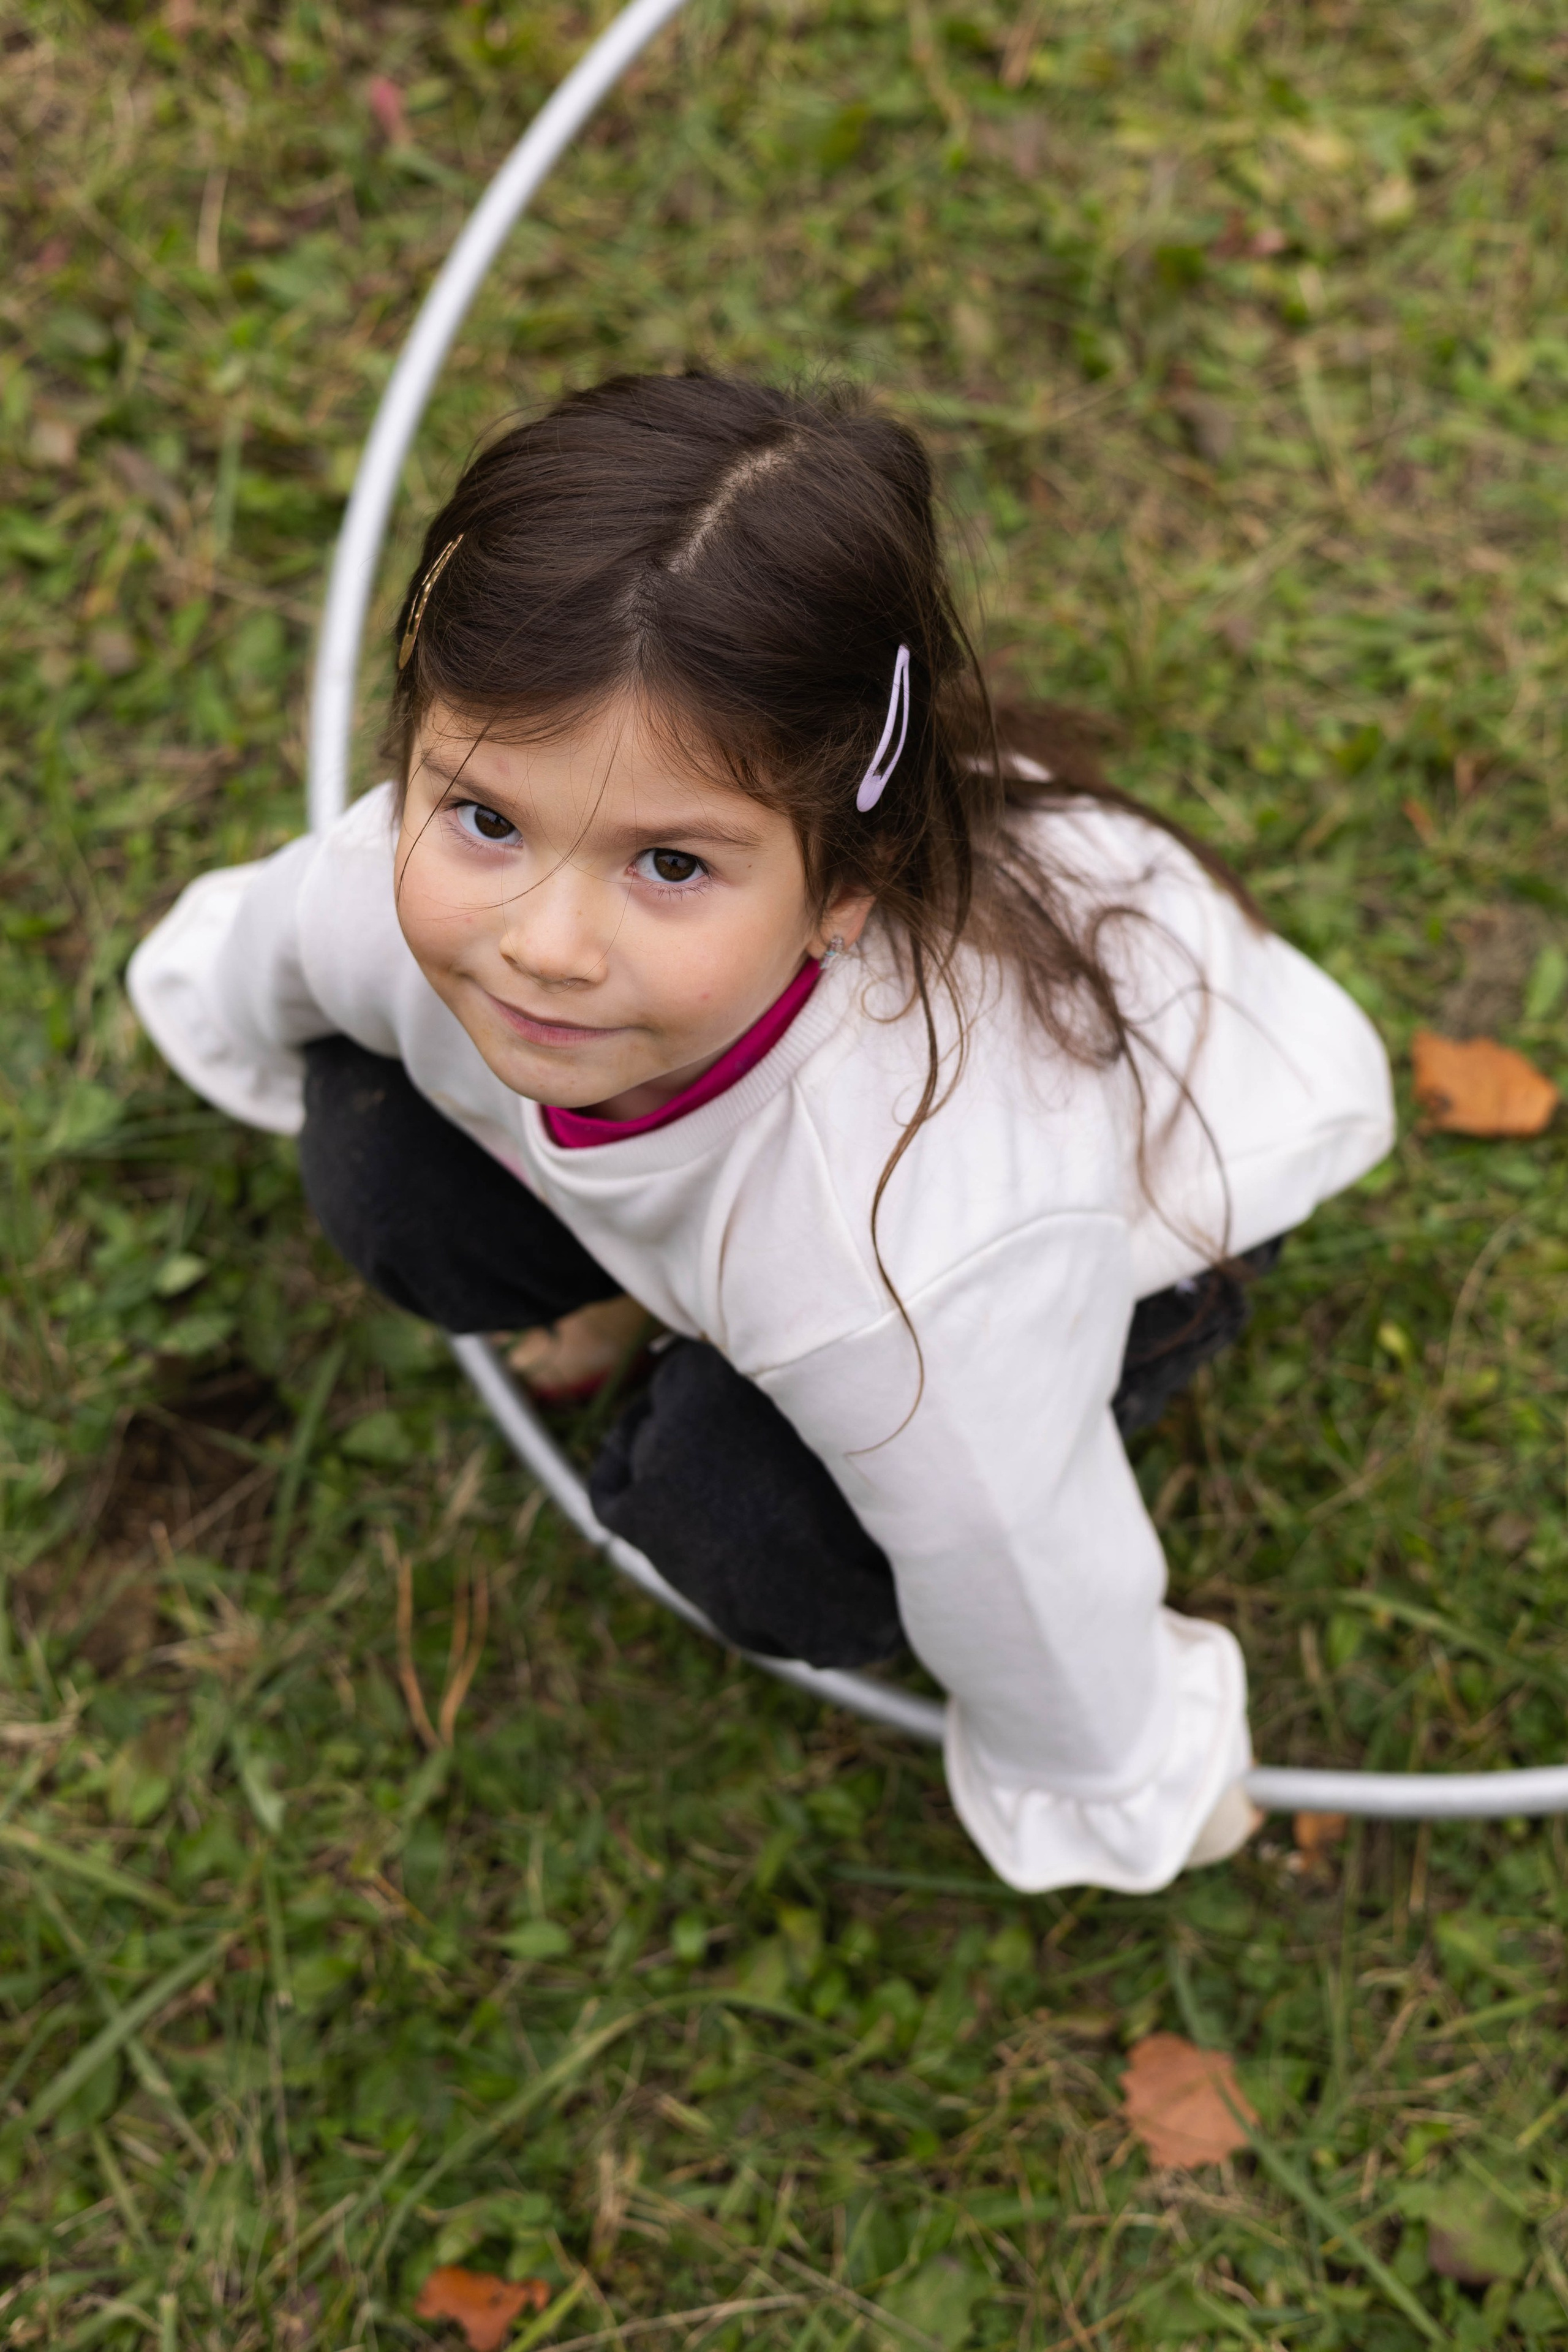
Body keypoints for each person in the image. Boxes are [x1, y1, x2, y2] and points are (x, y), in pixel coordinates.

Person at [128, 374, 1393, 1896]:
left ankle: (707, 1362)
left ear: (843, 886)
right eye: (483, 819)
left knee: (724, 1511)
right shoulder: (410, 896)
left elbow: (1015, 1552)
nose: (542, 941)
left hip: (1135, 1226)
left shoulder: (913, 1265)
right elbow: (278, 948)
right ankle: (633, 1281)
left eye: (668, 862)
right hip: (776, 1219)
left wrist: (1125, 1780)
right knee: (379, 1154)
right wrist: (209, 1008)